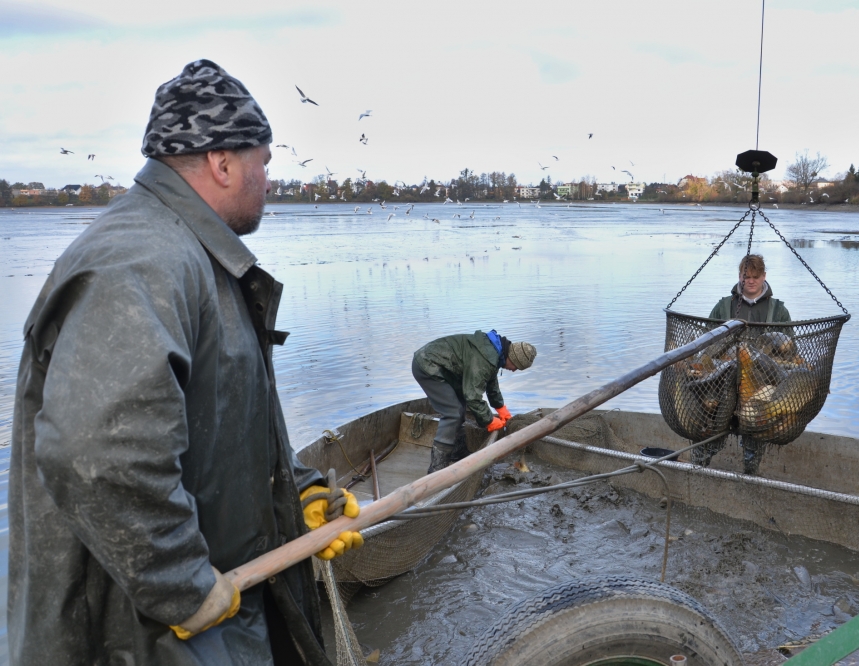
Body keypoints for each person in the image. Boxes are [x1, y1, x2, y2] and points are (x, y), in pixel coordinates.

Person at [9, 60, 360, 665]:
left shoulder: (195, 257)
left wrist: (295, 492)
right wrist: (181, 585)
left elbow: (221, 419)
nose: (269, 180)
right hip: (140, 642)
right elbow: (95, 454)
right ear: (222, 163)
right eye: (263, 162)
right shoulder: (142, 261)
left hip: (217, 627)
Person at [698, 253, 791, 475]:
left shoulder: (778, 310)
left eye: (755, 277)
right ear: (739, 275)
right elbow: (706, 343)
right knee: (711, 425)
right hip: (722, 381)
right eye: (746, 276)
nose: (750, 281)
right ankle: (698, 466)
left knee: (754, 430)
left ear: (764, 276)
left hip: (761, 385)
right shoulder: (723, 306)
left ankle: (750, 473)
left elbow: (790, 348)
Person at [412, 331, 536, 473]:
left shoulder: (494, 352)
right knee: (453, 413)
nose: (514, 370)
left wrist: (500, 407)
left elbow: (491, 382)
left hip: (445, 369)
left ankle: (457, 452)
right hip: (427, 366)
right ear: (512, 358)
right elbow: (473, 396)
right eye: (516, 367)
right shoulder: (486, 357)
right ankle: (437, 467)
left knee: (461, 405)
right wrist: (489, 420)